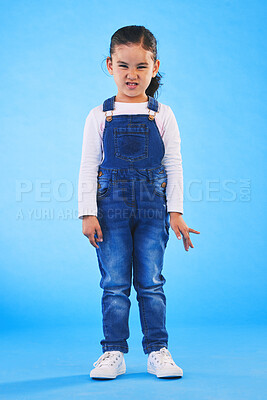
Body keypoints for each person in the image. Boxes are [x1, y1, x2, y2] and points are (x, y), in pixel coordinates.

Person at [78, 25, 200, 380]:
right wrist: (87, 212)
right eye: (123, 66)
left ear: (155, 66)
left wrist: (175, 212)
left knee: (151, 282)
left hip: (152, 210)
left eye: (141, 66)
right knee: (114, 283)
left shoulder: (162, 114)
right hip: (109, 209)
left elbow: (173, 164)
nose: (132, 74)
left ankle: (157, 350)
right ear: (110, 65)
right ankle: (113, 352)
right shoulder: (100, 115)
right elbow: (88, 164)